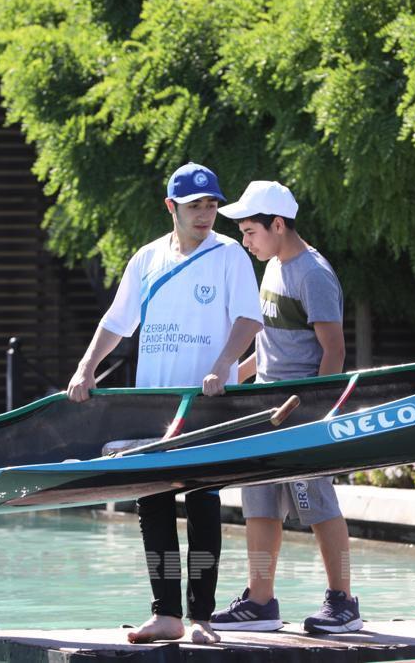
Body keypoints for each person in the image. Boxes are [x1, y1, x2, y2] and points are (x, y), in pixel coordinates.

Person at [66, 162, 263, 645]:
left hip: (205, 401)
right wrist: (86, 367)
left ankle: (202, 617)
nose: (206, 214)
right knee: (151, 503)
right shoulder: (147, 258)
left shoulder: (228, 255)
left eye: (212, 204)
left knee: (202, 503)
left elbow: (248, 319)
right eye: (195, 205)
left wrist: (222, 365)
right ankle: (165, 615)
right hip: (152, 402)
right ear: (171, 207)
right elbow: (116, 321)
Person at [209, 181, 361, 634]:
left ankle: (344, 602)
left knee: (317, 504)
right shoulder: (273, 265)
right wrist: (238, 378)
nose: (245, 241)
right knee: (258, 506)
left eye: (251, 231)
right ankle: (259, 602)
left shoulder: (313, 273)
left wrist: (317, 414)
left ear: (278, 224)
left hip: (301, 413)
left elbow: (333, 350)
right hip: (266, 411)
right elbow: (269, 342)